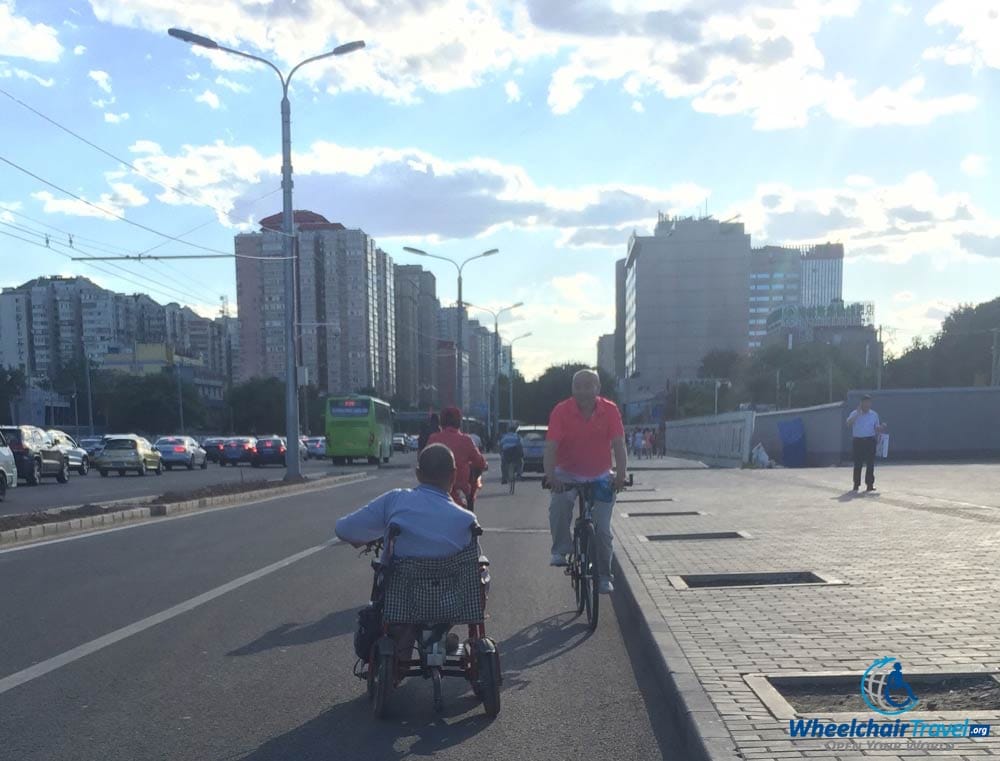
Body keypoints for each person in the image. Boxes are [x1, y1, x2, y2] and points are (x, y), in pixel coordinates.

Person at [335, 444, 478, 658]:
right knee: (480, 574)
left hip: (404, 599)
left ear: (418, 473)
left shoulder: (395, 500)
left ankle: (405, 636)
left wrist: (372, 535)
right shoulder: (467, 520)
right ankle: (438, 634)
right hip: (450, 602)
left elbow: (343, 529)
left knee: (389, 583)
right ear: (454, 475)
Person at [544, 369, 627, 595]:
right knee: (559, 504)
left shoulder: (609, 410)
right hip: (567, 473)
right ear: (573, 389)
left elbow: (619, 445)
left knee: (602, 529)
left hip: (600, 474)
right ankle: (561, 549)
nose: (582, 390)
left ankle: (603, 576)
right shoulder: (561, 411)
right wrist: (551, 477)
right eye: (578, 386)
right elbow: (551, 447)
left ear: (597, 388)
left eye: (588, 385)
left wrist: (620, 475)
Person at [427, 407, 488, 510]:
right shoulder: (466, 440)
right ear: (459, 422)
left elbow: (424, 461)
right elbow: (480, 463)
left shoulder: (433, 439)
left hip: (434, 491)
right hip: (459, 491)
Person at [846, 394, 886, 493]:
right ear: (861, 403)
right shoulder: (854, 413)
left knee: (870, 463)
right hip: (858, 441)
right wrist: (857, 414)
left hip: (870, 440)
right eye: (865, 403)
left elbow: (876, 428)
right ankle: (856, 484)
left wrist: (881, 427)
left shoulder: (874, 415)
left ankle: (869, 484)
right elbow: (848, 424)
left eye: (868, 403)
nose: (867, 405)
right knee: (858, 463)